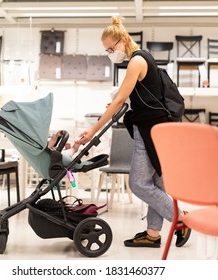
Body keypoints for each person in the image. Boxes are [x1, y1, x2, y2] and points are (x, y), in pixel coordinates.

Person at [77, 16, 191, 248]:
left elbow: (120, 99)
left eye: (111, 48)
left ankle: (182, 219)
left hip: (149, 131)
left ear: (122, 41)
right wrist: (116, 105)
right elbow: (132, 97)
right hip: (160, 129)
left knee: (138, 184)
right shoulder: (144, 57)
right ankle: (152, 233)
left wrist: (92, 130)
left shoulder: (136, 62)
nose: (111, 53)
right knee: (157, 184)